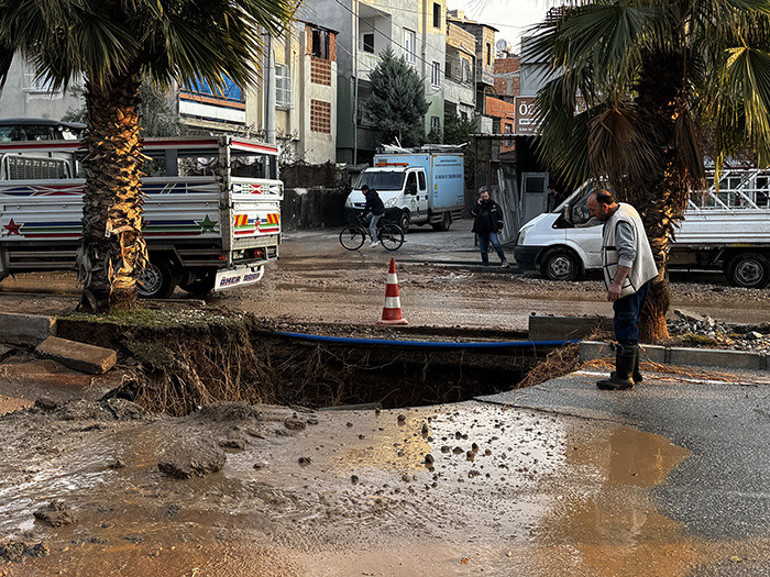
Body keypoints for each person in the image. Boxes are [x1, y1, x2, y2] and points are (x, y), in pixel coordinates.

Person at [587, 189, 658, 390]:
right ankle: (632, 372)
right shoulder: (625, 209)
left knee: (624, 324)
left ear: (605, 206)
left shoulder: (620, 221)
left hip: (629, 283)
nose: (592, 214)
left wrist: (617, 283)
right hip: (641, 278)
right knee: (631, 322)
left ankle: (623, 377)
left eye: (594, 210)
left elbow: (627, 254)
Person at [471, 189, 508, 267]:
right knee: (483, 249)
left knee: (496, 244)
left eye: (486, 196)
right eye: (483, 197)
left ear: (489, 196)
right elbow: (472, 213)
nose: (484, 198)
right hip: (481, 230)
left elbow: (500, 216)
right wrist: (478, 205)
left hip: (492, 229)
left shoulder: (493, 205)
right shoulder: (478, 206)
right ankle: (485, 264)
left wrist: (500, 227)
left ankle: (504, 260)